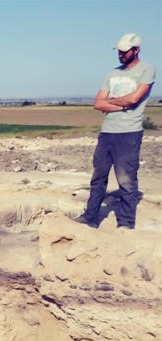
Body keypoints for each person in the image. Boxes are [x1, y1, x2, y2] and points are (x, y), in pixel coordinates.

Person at [73, 34, 156, 230]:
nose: (120, 54)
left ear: (136, 50)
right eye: (119, 51)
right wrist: (122, 104)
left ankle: (126, 224)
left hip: (129, 132)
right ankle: (91, 217)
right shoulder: (111, 74)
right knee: (98, 176)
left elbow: (133, 99)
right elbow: (97, 103)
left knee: (126, 179)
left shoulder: (147, 70)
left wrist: (111, 102)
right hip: (107, 131)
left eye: (124, 51)